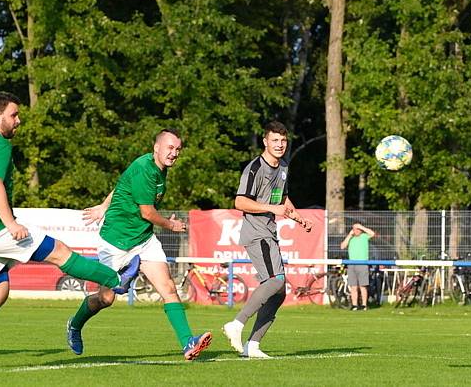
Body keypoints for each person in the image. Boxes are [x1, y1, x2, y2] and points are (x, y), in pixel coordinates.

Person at [0, 92, 137, 371]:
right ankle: (116, 277)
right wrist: (10, 223)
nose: (18, 121)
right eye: (14, 115)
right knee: (60, 253)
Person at [68, 128, 212, 361]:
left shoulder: (157, 169)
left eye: (177, 149)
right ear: (156, 147)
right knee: (106, 298)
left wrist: (104, 205)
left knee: (168, 287)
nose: (174, 153)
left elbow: (121, 184)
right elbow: (147, 212)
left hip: (143, 241)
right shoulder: (145, 168)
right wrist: (170, 225)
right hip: (116, 241)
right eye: (169, 147)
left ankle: (188, 342)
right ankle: (74, 325)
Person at [222, 121, 313, 358]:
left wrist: (299, 218)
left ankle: (252, 345)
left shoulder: (282, 167)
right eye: (275, 140)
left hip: (269, 233)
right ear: (265, 141)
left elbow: (282, 199)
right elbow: (240, 202)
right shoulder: (254, 168)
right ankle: (237, 324)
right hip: (256, 233)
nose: (280, 145)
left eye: (283, 141)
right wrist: (271, 208)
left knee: (279, 292)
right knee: (275, 281)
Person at [340, 222, 375, 310]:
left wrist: (362, 227)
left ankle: (364, 305)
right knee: (353, 286)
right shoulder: (350, 238)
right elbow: (342, 246)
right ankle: (354, 305)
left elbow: (372, 233)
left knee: (363, 286)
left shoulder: (364, 236)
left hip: (362, 264)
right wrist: (349, 235)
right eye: (355, 229)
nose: (356, 231)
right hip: (351, 264)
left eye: (358, 229)